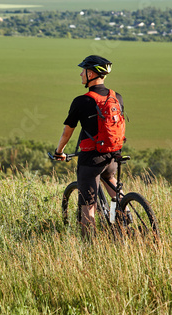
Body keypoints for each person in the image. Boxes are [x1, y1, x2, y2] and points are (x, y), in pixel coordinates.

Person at [54, 55, 124, 240]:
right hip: (113, 155)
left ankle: (89, 246)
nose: (80, 74)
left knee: (88, 206)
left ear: (91, 73)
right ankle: (124, 212)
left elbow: (67, 132)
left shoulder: (81, 101)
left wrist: (59, 152)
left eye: (83, 71)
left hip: (92, 159)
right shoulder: (117, 97)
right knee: (110, 179)